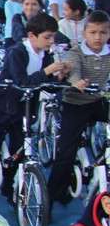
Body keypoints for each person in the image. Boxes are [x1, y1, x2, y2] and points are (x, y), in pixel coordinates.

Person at [0, 13, 70, 196]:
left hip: (25, 110)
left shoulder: (46, 55)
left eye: (53, 36)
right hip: (3, 108)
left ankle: (10, 188)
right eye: (47, 37)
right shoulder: (17, 52)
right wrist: (47, 71)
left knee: (19, 150)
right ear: (32, 36)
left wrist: (60, 77)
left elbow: (48, 86)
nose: (51, 41)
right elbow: (21, 82)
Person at [46, 11, 110, 206]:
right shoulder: (76, 52)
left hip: (100, 100)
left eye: (103, 32)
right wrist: (77, 81)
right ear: (84, 33)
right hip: (76, 102)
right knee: (67, 149)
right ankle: (53, 195)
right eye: (93, 32)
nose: (98, 37)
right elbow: (73, 68)